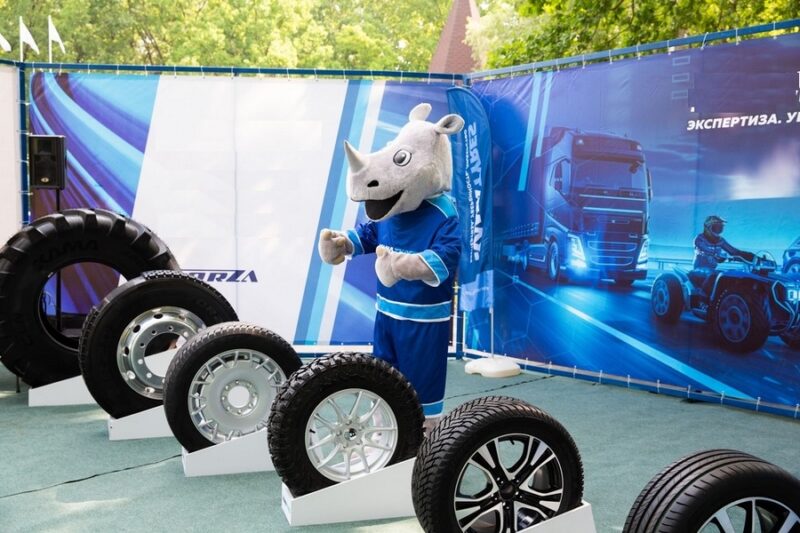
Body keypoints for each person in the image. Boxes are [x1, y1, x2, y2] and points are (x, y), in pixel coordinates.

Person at [691, 215, 754, 294]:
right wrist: (717, 255)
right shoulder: (700, 238)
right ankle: (703, 296)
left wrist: (751, 257)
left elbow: (734, 251)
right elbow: (702, 249)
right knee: (714, 275)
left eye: (720, 228)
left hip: (711, 270)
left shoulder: (720, 240)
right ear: (708, 227)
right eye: (716, 228)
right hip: (699, 269)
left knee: (728, 275)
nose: (718, 230)